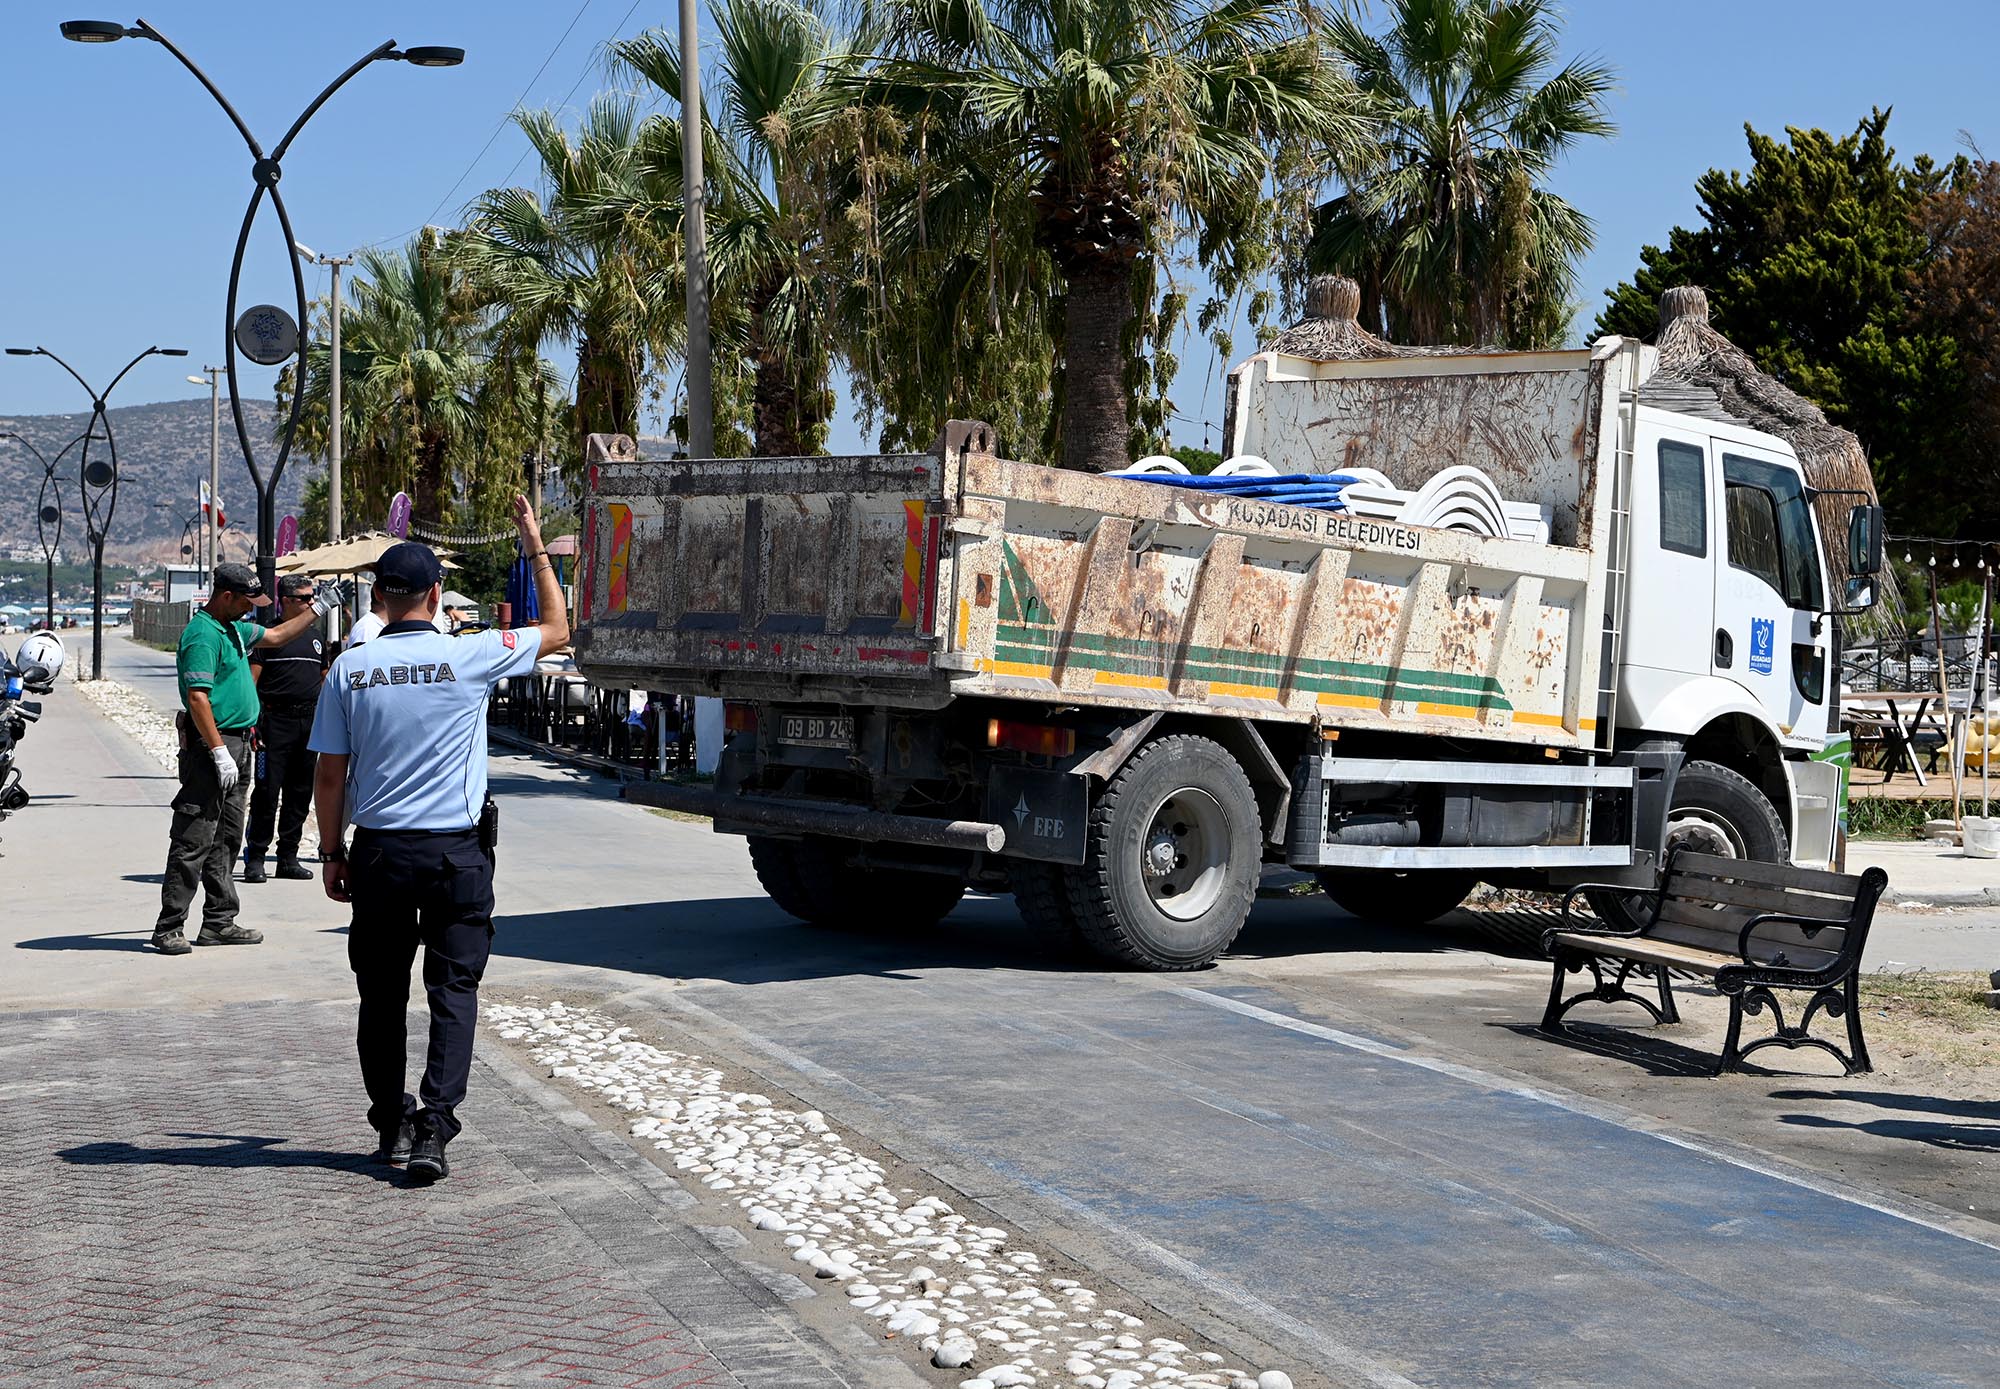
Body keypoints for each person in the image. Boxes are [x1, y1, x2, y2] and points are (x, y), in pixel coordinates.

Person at [311, 496, 567, 1181]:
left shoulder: (349, 669)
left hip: (381, 852)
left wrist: (331, 853)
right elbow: (559, 628)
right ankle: (435, 1125)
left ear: (378, 597)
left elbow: (330, 776)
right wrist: (532, 541)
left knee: (382, 991)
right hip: (456, 853)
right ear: (435, 595)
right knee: (453, 987)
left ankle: (391, 1117)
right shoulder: (471, 655)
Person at [154, 563, 345, 956]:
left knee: (226, 836)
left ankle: (219, 921)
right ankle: (170, 926)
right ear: (226, 596)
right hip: (214, 746)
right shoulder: (203, 636)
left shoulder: (233, 629)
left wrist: (319, 608)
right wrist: (219, 750)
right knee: (194, 836)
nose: (252, 609)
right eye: (247, 601)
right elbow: (197, 698)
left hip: (237, 744)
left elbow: (276, 635)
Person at [243, 573, 333, 884]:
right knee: (267, 792)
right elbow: (251, 683)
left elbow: (324, 677)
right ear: (287, 601)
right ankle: (255, 857)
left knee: (299, 793)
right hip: (273, 724)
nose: (312, 603)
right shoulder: (267, 636)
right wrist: (254, 724)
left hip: (309, 724)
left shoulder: (317, 636)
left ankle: (287, 857)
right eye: (305, 599)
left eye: (313, 597)